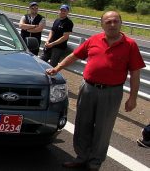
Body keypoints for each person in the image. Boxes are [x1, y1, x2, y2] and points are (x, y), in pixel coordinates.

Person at [46, 11, 145, 170]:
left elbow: (135, 73)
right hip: (88, 88)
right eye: (108, 22)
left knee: (103, 129)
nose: (112, 25)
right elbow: (74, 55)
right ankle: (81, 157)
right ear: (102, 25)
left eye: (115, 21)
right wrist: (57, 68)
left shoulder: (130, 44)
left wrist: (132, 98)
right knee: (82, 124)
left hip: (111, 92)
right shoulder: (94, 39)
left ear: (121, 23)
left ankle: (94, 162)